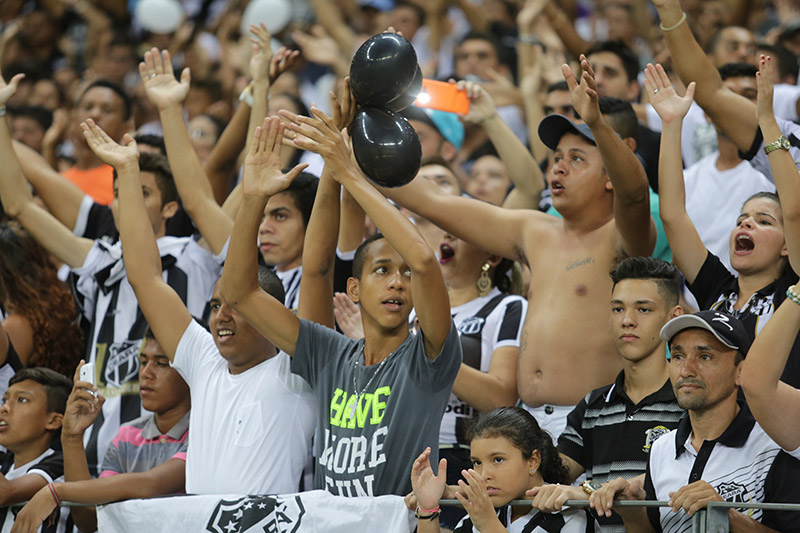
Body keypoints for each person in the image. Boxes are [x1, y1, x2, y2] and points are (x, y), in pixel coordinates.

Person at [376, 56, 656, 440]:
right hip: (525, 425)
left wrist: (596, 124)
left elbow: (637, 195)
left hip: (593, 421)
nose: (558, 168)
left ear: (609, 177)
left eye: (576, 159)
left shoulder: (623, 238)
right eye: (556, 158)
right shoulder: (534, 228)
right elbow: (432, 203)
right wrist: (360, 139)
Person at [220, 108, 462, 497]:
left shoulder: (429, 358)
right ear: (353, 289)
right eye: (382, 271)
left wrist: (347, 170)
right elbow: (238, 293)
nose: (398, 283)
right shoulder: (328, 353)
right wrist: (252, 199)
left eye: (405, 275)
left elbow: (423, 260)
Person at [0, 72, 222, 476]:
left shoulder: (198, 258)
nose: (126, 203)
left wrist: (170, 110)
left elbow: (200, 196)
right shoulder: (99, 259)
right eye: (120, 194)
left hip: (176, 453)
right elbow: (19, 205)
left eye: (141, 192)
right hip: (93, 451)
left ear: (171, 209)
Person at [79, 118, 315, 495]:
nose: (220, 316)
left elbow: (318, 272)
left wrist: (253, 200)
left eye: (235, 306)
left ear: (271, 315)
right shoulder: (205, 362)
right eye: (215, 304)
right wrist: (126, 171)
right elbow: (146, 277)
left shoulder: (298, 370)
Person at [649, 57, 800, 388]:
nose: (746, 226)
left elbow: (795, 209)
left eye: (762, 221)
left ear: (788, 245)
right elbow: (673, 216)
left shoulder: (793, 290)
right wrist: (672, 124)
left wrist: (768, 124)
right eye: (742, 219)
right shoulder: (718, 288)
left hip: (778, 436)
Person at [590, 310, 800, 532]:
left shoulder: (774, 445)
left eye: (704, 356)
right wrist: (633, 515)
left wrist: (727, 516)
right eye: (678, 356)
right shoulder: (662, 448)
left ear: (741, 371)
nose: (686, 370)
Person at [528, 257, 685, 532]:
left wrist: (587, 492)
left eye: (644, 309)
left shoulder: (690, 401)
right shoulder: (593, 406)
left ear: (674, 318)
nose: (627, 320)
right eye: (617, 308)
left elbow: (687, 476)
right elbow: (552, 473)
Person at [11, 331, 190, 533]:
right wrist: (72, 437)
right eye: (143, 361)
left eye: (161, 363)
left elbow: (153, 483)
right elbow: (91, 520)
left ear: (190, 371)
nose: (145, 373)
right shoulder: (126, 435)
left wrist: (55, 492)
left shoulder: (202, 433)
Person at [412, 229, 525, 528]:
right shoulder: (413, 308)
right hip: (405, 451)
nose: (448, 234)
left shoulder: (508, 307)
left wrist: (428, 352)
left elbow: (501, 397)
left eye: (461, 232)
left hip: (463, 458)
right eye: (446, 231)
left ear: (493, 256)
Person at [410, 407, 593, 533]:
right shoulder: (479, 516)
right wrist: (427, 509)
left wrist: (488, 525)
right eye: (477, 462)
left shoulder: (570, 517)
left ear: (533, 461)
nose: (484, 475)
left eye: (498, 460)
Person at [0, 368, 73, 532]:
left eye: (22, 400)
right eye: (5, 400)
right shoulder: (3, 463)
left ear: (54, 420)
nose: (4, 408)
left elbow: (5, 492)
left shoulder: (62, 465)